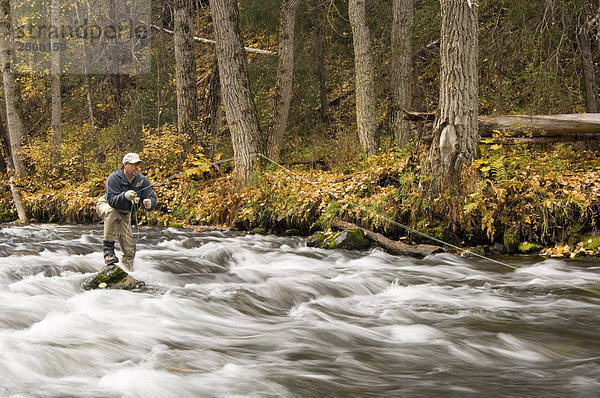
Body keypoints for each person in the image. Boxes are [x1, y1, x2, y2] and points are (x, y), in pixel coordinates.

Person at [97, 153, 157, 270]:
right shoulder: (113, 178)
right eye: (134, 165)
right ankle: (108, 252)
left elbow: (151, 197)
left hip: (125, 212)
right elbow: (112, 201)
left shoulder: (142, 181)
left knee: (129, 249)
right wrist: (125, 196)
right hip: (106, 204)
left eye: (138, 165)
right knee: (112, 213)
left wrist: (149, 203)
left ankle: (127, 274)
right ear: (125, 165)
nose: (137, 168)